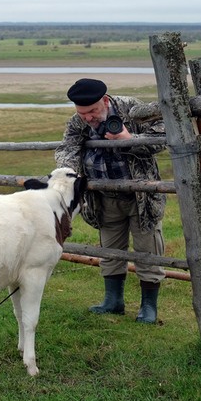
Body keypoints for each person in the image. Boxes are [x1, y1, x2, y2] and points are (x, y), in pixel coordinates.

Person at [55, 78, 166, 324]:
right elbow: (67, 149)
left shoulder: (133, 109)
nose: (88, 117)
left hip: (141, 197)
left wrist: (130, 140)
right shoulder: (78, 123)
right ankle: (113, 302)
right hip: (104, 198)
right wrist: (67, 173)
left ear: (105, 101)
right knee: (110, 251)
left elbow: (163, 137)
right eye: (82, 112)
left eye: (92, 111)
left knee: (147, 249)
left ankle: (149, 308)